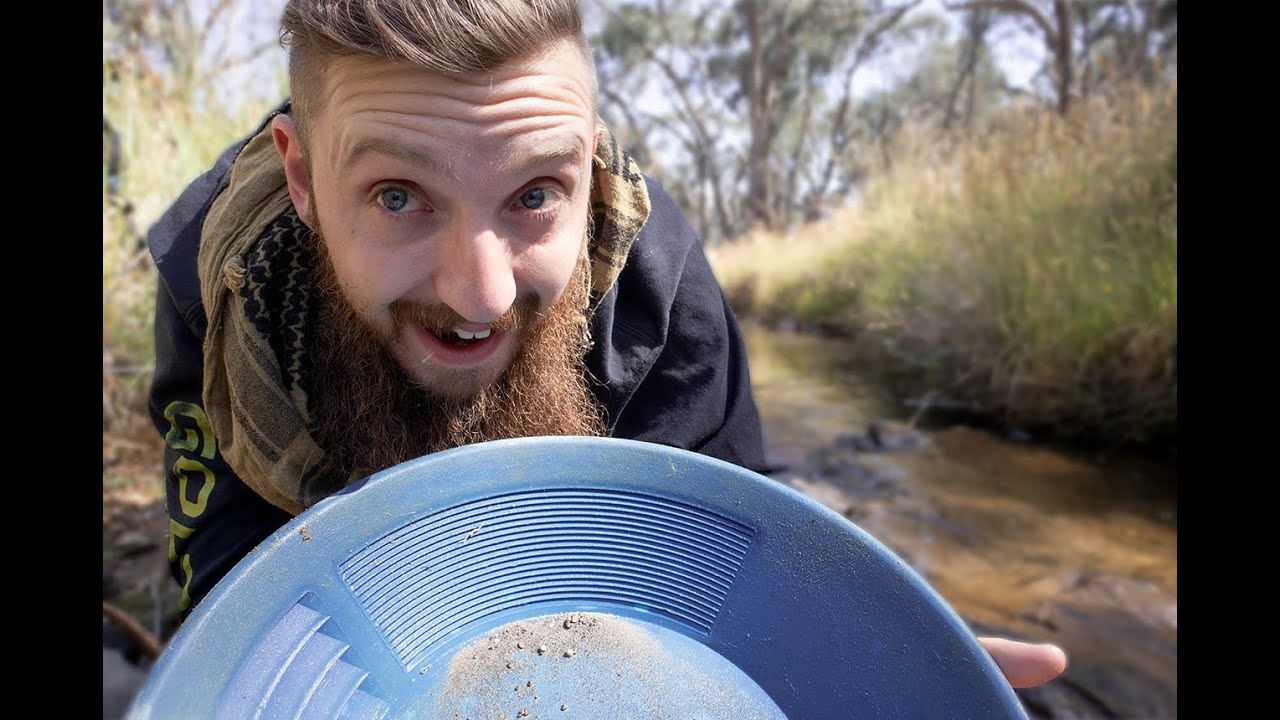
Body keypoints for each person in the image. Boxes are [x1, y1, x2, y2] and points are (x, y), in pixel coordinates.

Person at [145, 0, 1065, 692]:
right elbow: (234, 619)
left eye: (536, 194)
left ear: (587, 163)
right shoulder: (218, 284)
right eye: (397, 196)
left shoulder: (659, 296)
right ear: (302, 177)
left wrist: (848, 672)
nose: (483, 294)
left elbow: (728, 579)